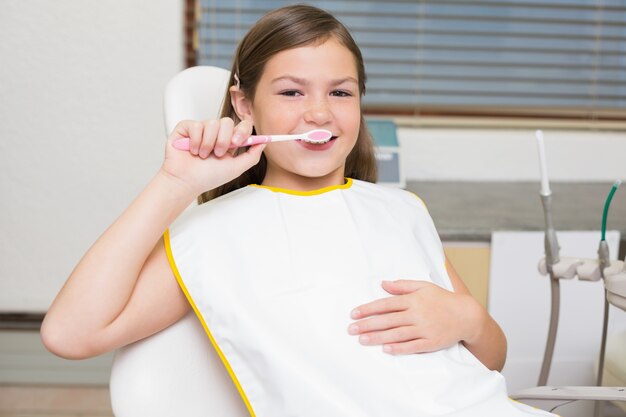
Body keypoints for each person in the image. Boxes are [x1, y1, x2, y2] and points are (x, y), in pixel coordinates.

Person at [42, 5, 554, 416]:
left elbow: (489, 363)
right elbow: (69, 334)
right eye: (291, 92)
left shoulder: (401, 209)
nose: (320, 113)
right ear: (243, 106)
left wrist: (466, 318)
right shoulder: (211, 233)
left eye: (341, 92)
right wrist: (174, 183)